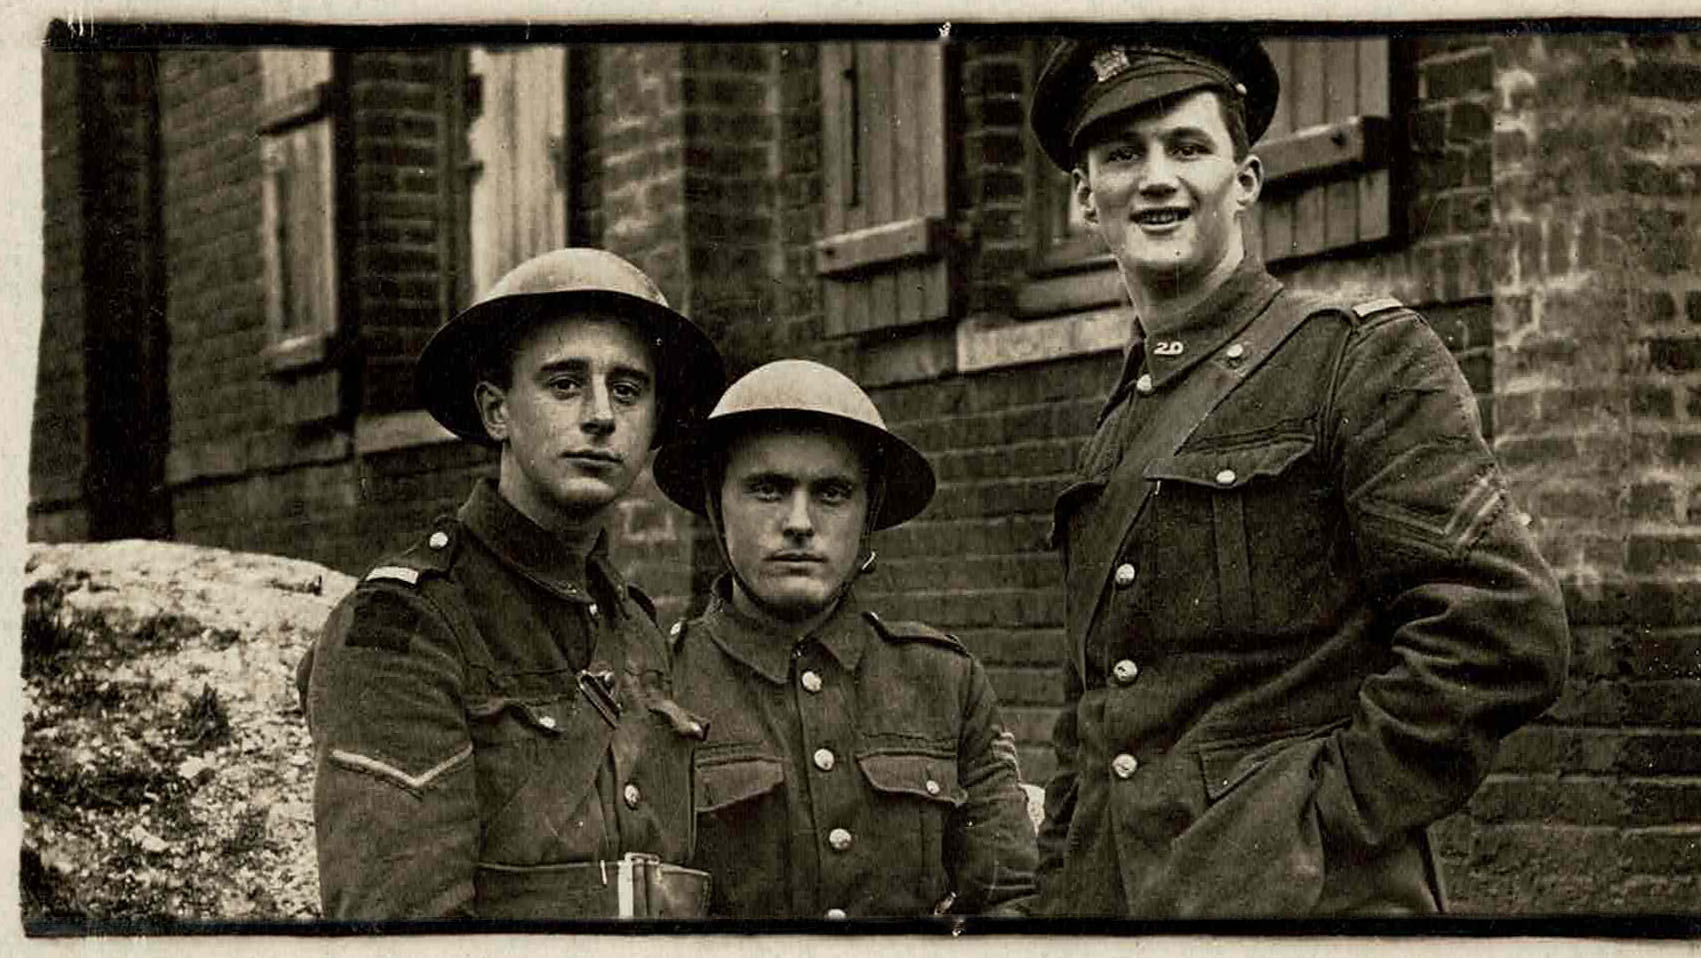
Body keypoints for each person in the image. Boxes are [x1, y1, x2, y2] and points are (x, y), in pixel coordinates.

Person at [1027, 34, 1570, 916]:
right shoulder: (1118, 425)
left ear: (1242, 180)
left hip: (1316, 907)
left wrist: (1307, 821)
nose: (1156, 178)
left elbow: (1501, 632)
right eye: (1122, 155)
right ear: (1087, 198)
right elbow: (1089, 711)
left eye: (1188, 147)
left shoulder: (1358, 360)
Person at [297, 247, 726, 920]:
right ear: (497, 412)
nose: (599, 416)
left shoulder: (634, 627)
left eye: (627, 389)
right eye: (564, 384)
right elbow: (404, 926)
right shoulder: (407, 623)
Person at [651, 359, 1039, 919]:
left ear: (868, 512)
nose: (800, 522)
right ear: (716, 503)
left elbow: (1009, 900)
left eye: (832, 493)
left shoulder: (943, 682)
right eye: (767, 489)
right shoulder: (658, 685)